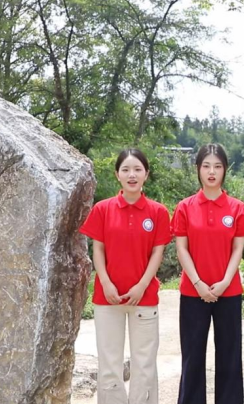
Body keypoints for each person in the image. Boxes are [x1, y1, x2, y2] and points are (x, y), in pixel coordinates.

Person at [79, 148, 171, 404]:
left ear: (146, 174)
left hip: (145, 297)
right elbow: (98, 249)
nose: (132, 175)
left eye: (137, 169)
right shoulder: (102, 209)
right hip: (107, 298)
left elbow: (157, 252)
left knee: (144, 364)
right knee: (109, 364)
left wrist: (142, 285)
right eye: (126, 170)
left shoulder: (158, 212)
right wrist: (106, 282)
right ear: (117, 174)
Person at [172, 144, 244, 404]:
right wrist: (198, 282)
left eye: (217, 166)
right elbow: (182, 249)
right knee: (192, 356)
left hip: (228, 292)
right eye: (206, 166)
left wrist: (225, 281)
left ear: (225, 170)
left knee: (229, 355)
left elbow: (238, 248)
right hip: (192, 291)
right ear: (198, 169)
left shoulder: (237, 207)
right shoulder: (185, 207)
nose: (211, 172)